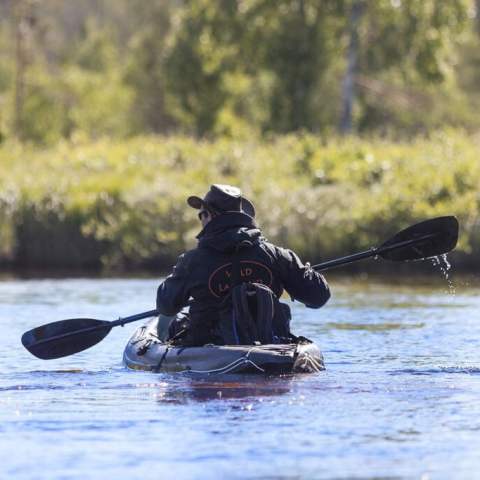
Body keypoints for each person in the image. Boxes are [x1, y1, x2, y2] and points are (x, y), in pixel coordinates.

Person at [156, 184, 330, 346]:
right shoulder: (278, 255)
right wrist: (305, 271)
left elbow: (166, 306)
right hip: (269, 346)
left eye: (201, 214)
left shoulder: (191, 262)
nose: (201, 219)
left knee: (176, 325)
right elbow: (318, 297)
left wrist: (178, 273)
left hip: (209, 351)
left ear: (210, 216)